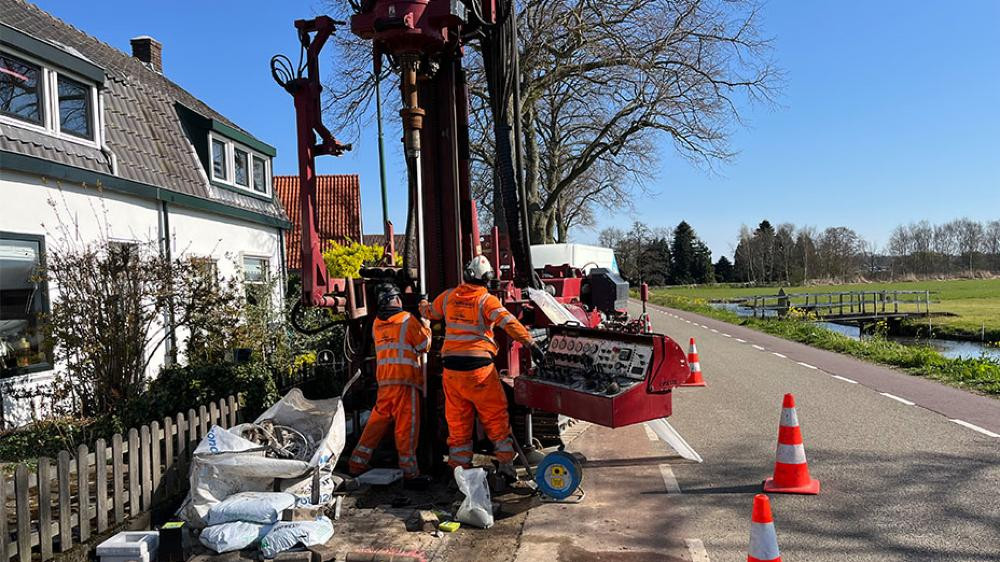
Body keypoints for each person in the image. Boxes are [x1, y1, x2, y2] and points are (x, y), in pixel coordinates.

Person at [419, 255, 545, 470]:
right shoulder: (487, 301)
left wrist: (422, 302)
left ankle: (460, 472)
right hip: (479, 371)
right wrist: (531, 344)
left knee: (458, 422)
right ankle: (506, 465)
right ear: (487, 279)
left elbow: (429, 312)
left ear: (466, 274)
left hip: (452, 371)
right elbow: (509, 323)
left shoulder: (448, 297)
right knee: (495, 417)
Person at [348, 283, 432, 479]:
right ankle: (410, 473)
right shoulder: (407, 319)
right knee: (406, 428)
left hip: (385, 383)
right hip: (405, 382)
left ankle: (356, 462)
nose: (400, 301)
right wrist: (426, 323)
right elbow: (424, 345)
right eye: (398, 297)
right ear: (393, 299)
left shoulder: (377, 324)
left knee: (375, 424)